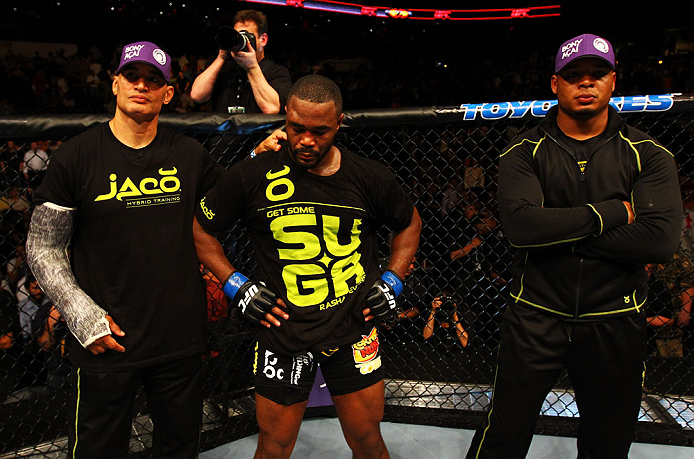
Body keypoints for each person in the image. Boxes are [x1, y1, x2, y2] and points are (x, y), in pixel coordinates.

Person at [466, 33, 682, 459]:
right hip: (536, 315)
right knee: (504, 434)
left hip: (615, 318)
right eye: (575, 76)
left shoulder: (649, 153)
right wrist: (614, 213)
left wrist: (558, 233)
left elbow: (659, 240)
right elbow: (522, 228)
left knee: (608, 440)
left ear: (613, 81)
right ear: (555, 84)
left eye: (597, 75)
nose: (586, 84)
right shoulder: (523, 151)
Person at [193, 74, 421, 459]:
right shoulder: (253, 175)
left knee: (367, 440)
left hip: (352, 329)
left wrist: (393, 281)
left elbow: (408, 222)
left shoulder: (367, 176)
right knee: (274, 447)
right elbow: (201, 229)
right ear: (285, 115)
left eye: (319, 131)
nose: (306, 141)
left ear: (339, 123)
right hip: (282, 332)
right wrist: (235, 284)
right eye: (297, 128)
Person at [26, 40, 223, 458]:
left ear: (167, 94)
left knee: (179, 448)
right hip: (107, 339)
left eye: (154, 80)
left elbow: (225, 209)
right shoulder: (76, 157)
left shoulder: (190, 156)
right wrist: (82, 316)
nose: (141, 85)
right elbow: (42, 246)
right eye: (132, 76)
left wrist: (262, 153)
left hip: (179, 339)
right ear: (114, 84)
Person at [191, 9, 292, 114]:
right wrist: (221, 57)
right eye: (237, 36)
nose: (240, 41)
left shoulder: (277, 72)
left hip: (257, 130)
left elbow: (272, 108)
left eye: (247, 36)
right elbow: (197, 96)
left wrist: (252, 68)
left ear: (263, 40)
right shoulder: (224, 69)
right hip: (224, 130)